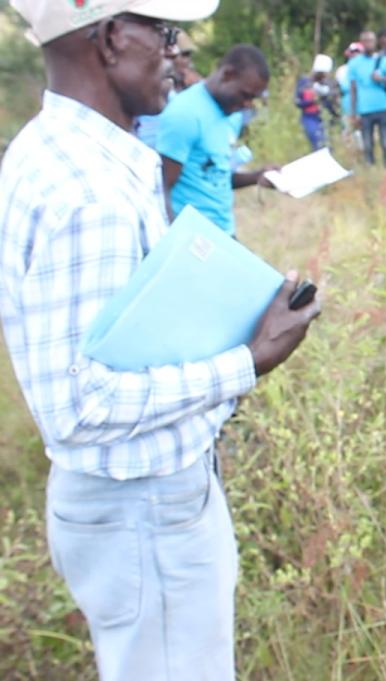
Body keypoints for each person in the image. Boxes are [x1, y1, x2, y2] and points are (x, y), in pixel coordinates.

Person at [1, 3, 321, 680]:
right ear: (115, 37)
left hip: (135, 509)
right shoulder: (90, 193)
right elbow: (81, 406)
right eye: (169, 36)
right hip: (143, 511)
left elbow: (115, 338)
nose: (179, 58)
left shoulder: (59, 152)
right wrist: (248, 359)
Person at [156, 45, 278, 238]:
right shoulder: (184, 114)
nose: (247, 105)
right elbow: (161, 188)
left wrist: (258, 176)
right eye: (245, 95)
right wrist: (176, 244)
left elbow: (216, 175)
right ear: (227, 75)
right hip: (194, 240)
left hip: (225, 233)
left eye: (253, 99)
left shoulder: (231, 115)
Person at [348, 31, 386, 168]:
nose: (369, 44)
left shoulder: (384, 61)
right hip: (365, 109)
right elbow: (353, 88)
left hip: (382, 106)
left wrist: (382, 79)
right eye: (366, 41)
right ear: (362, 43)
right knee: (367, 143)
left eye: (372, 41)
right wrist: (353, 112)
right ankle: (370, 168)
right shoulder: (354, 64)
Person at [295, 54, 337, 151]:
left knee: (328, 146)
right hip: (309, 117)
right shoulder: (304, 83)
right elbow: (298, 102)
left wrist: (327, 96)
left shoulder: (328, 84)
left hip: (324, 118)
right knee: (318, 143)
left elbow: (331, 105)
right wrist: (314, 100)